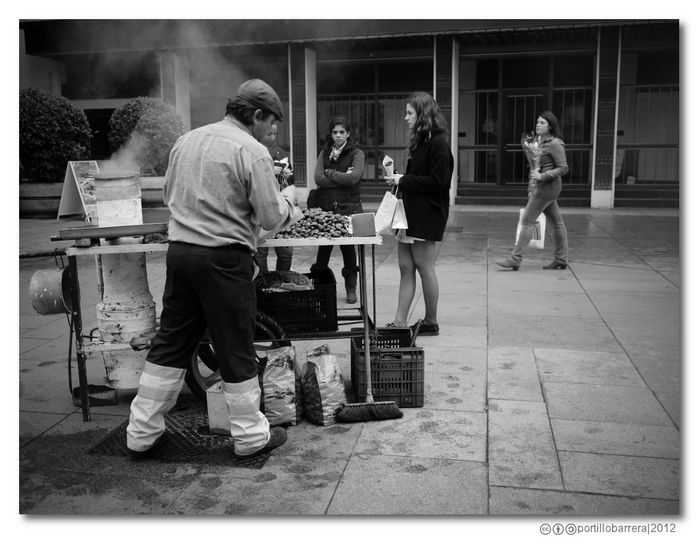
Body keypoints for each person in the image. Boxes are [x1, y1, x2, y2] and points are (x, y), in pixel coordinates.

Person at [126, 79, 302, 460]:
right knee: (235, 346)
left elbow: (169, 194)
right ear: (255, 115)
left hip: (181, 256)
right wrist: (290, 203)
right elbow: (270, 215)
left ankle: (140, 433)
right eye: (272, 122)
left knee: (170, 342)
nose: (273, 131)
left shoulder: (186, 141)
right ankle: (252, 438)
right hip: (224, 261)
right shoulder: (251, 151)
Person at [384, 92, 454, 336]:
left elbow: (437, 181)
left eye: (409, 113)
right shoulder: (421, 140)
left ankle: (431, 321)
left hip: (426, 215)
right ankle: (399, 322)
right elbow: (418, 178)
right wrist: (398, 178)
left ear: (422, 114)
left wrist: (404, 179)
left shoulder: (438, 143)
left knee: (425, 268)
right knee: (405, 267)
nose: (405, 117)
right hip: (409, 213)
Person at [497, 110, 569, 271]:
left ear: (550, 126)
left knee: (527, 221)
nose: (538, 124)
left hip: (548, 187)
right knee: (557, 222)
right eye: (537, 122)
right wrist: (533, 182)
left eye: (542, 122)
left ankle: (515, 258)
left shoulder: (555, 143)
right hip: (542, 186)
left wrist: (543, 176)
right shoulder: (537, 142)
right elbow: (536, 165)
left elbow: (563, 168)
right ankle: (561, 259)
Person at [307, 116, 365, 304]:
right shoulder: (324, 152)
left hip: (348, 208)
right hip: (326, 209)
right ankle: (320, 288)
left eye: (341, 132)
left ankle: (351, 288)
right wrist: (341, 179)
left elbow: (353, 178)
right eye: (334, 132)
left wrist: (330, 173)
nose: (338, 135)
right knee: (323, 250)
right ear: (331, 134)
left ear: (348, 134)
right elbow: (318, 179)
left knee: (348, 249)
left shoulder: (357, 153)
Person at [253, 122, 294, 273]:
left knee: (286, 251)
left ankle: (281, 280)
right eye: (268, 134)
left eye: (275, 134)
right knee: (261, 251)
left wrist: (287, 175)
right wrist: (270, 170)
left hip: (281, 205)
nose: (272, 137)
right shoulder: (253, 151)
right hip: (261, 207)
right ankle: (263, 283)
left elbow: (291, 179)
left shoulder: (280, 153)